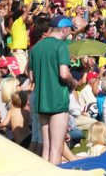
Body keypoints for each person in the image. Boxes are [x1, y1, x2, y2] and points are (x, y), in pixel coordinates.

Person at [29, 15, 78, 165]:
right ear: (63, 28)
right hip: (58, 99)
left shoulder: (36, 47)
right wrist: (73, 82)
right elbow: (64, 74)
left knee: (46, 148)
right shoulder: (61, 45)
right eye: (70, 30)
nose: (70, 34)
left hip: (42, 100)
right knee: (56, 149)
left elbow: (31, 77)